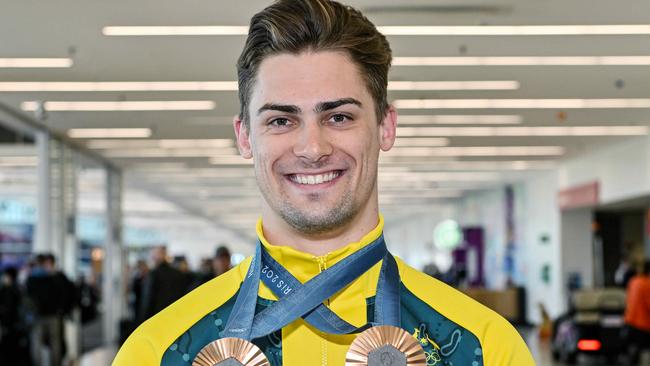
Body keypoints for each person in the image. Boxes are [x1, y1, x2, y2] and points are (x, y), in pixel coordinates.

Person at [114, 1, 534, 365]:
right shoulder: (159, 350)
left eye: (339, 117)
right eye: (281, 120)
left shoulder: (482, 347)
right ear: (245, 137)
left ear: (386, 127)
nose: (312, 147)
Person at [139, 246, 187, 322]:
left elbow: (148, 300)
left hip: (157, 318)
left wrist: (143, 320)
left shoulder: (153, 274)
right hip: (175, 317)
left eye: (154, 254)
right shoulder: (178, 274)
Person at [624, 260, 650, 364]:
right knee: (644, 352)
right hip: (643, 324)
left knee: (635, 352)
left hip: (630, 321)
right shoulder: (647, 284)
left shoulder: (633, 281)